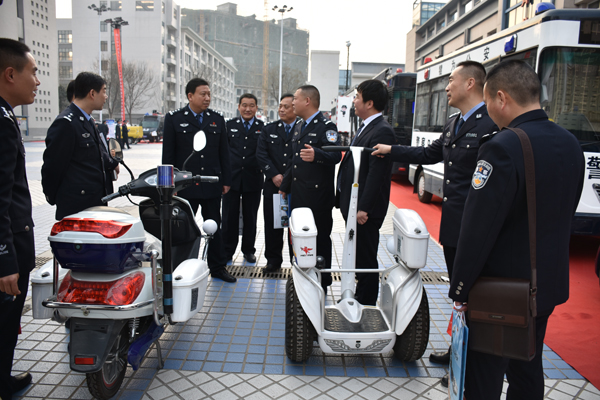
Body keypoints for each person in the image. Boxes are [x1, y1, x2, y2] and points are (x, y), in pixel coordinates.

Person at [450, 60, 584, 399]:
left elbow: (478, 229)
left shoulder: (502, 147)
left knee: (485, 376)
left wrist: (461, 289)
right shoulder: (570, 143)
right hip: (546, 284)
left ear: (500, 97)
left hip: (502, 291)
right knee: (528, 367)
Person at [372, 61, 497, 382]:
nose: (446, 87)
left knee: (474, 296)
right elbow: (430, 154)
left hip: (478, 227)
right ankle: (459, 351)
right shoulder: (455, 122)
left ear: (470, 83)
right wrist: (391, 149)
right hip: (454, 226)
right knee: (460, 295)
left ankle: (468, 366)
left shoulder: (491, 125)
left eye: (451, 80)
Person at [162, 78, 235, 283]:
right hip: (184, 186)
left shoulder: (217, 119)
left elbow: (224, 153)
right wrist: (169, 186)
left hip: (211, 183)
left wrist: (226, 180)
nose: (207, 98)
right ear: (190, 96)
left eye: (209, 94)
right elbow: (167, 156)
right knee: (182, 227)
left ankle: (218, 267)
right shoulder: (174, 119)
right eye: (203, 94)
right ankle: (182, 265)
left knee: (214, 226)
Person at [0, 38, 39, 400]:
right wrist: (5, 260)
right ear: (10, 74)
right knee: (4, 322)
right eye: (33, 72)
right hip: (6, 253)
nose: (37, 82)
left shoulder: (6, 116)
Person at [336, 80, 395, 305]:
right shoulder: (366, 126)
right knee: (358, 253)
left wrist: (363, 209)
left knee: (365, 257)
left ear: (369, 103)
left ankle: (366, 304)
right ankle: (359, 298)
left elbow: (377, 175)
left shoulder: (382, 131)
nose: (354, 101)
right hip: (354, 206)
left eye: (357, 97)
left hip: (364, 212)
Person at [279, 85, 341, 294]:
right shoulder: (298, 126)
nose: (292, 102)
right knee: (297, 236)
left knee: (320, 239)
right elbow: (292, 161)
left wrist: (318, 155)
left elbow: (336, 156)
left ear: (307, 101)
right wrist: (285, 187)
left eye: (295, 99)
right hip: (298, 196)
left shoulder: (326, 126)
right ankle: (300, 275)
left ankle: (321, 282)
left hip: (318, 199)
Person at [42, 72, 119, 221]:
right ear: (92, 93)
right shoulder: (66, 123)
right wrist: (56, 198)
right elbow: (52, 168)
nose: (105, 96)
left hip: (94, 204)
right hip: (76, 208)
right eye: (103, 91)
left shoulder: (87, 121)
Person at [256, 93, 297, 274]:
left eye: (286, 106)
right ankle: (273, 261)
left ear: (295, 108)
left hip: (295, 186)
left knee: (294, 225)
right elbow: (261, 154)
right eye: (280, 106)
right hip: (273, 186)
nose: (281, 109)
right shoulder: (269, 129)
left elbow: (298, 158)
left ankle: (296, 261)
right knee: (273, 225)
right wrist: (273, 175)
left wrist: (286, 177)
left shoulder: (302, 130)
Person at [222, 94, 265, 264]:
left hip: (253, 179)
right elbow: (223, 153)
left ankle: (248, 250)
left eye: (252, 106)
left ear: (256, 108)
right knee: (228, 217)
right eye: (244, 105)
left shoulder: (262, 128)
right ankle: (227, 251)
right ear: (239, 106)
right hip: (231, 180)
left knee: (250, 217)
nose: (248, 109)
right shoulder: (229, 126)